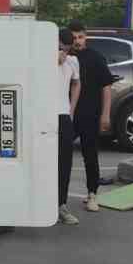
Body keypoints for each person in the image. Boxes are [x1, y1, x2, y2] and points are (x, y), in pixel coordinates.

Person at [68, 21, 115, 212]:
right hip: (68, 114)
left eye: (80, 37)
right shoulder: (64, 57)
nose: (78, 41)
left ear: (85, 36)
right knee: (60, 155)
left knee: (90, 155)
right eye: (74, 38)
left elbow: (106, 86)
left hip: (90, 114)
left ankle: (92, 194)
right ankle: (57, 196)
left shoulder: (96, 58)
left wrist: (105, 114)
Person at [57, 27, 81, 227]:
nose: (64, 52)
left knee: (64, 162)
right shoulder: (41, 58)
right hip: (42, 116)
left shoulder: (73, 61)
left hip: (63, 115)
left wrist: (71, 109)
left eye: (67, 49)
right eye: (61, 48)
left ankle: (61, 205)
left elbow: (76, 83)